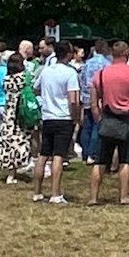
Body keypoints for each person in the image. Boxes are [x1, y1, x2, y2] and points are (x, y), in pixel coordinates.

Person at [89, 41, 129, 207]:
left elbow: (94, 102)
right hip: (127, 119)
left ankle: (93, 197)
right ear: (127, 53)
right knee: (125, 160)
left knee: (100, 161)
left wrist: (98, 118)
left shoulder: (100, 74)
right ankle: (123, 196)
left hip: (106, 118)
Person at [31, 47, 81, 204]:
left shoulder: (46, 71)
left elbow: (35, 88)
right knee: (58, 155)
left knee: (43, 154)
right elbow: (73, 99)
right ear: (68, 55)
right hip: (63, 117)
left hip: (48, 116)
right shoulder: (70, 73)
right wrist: (76, 117)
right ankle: (55, 193)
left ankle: (37, 192)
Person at [0, 56, 34, 183]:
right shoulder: (24, 78)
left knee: (4, 142)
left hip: (8, 113)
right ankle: (11, 174)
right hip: (20, 113)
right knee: (18, 143)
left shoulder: (6, 79)